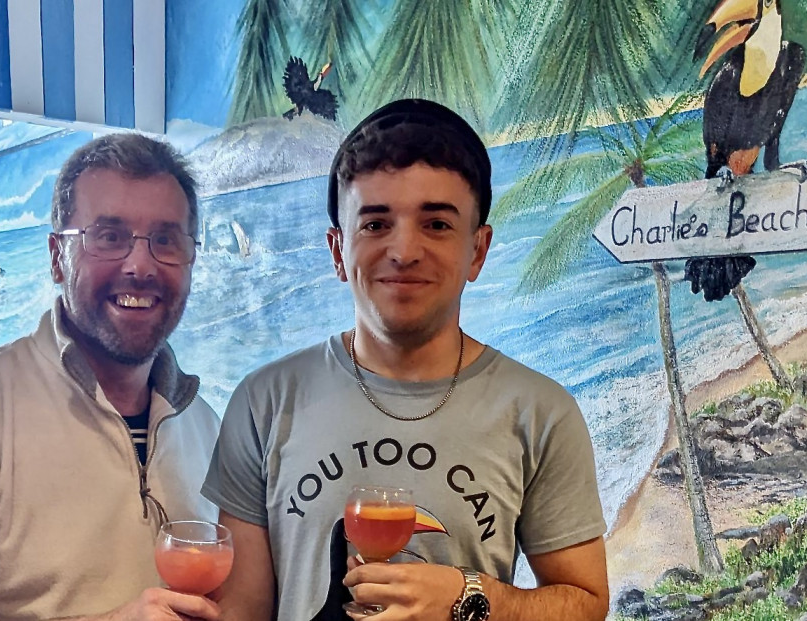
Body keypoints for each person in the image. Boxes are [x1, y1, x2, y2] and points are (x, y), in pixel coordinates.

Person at [202, 99, 609, 621]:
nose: (404, 250)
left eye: (437, 224)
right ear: (337, 251)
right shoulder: (264, 402)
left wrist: (468, 596)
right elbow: (243, 611)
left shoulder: (541, 412)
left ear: (478, 252)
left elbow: (586, 605)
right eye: (375, 224)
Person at [0, 133, 222, 621]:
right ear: (57, 257)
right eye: (109, 236)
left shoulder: (204, 425)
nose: (140, 264)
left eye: (165, 240)